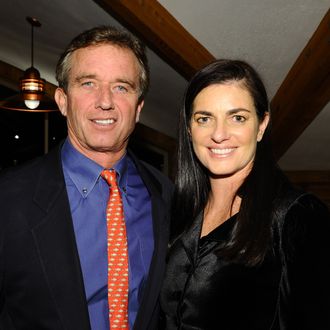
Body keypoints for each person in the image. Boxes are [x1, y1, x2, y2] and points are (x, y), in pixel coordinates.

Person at [0, 25, 173, 330]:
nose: (105, 101)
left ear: (138, 109)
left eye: (122, 86)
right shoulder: (9, 197)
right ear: (63, 101)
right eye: (88, 83)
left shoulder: (163, 193)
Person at [160, 59, 330, 329]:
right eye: (204, 119)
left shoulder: (296, 216)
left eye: (237, 117)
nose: (219, 134)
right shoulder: (180, 209)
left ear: (262, 125)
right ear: (190, 129)